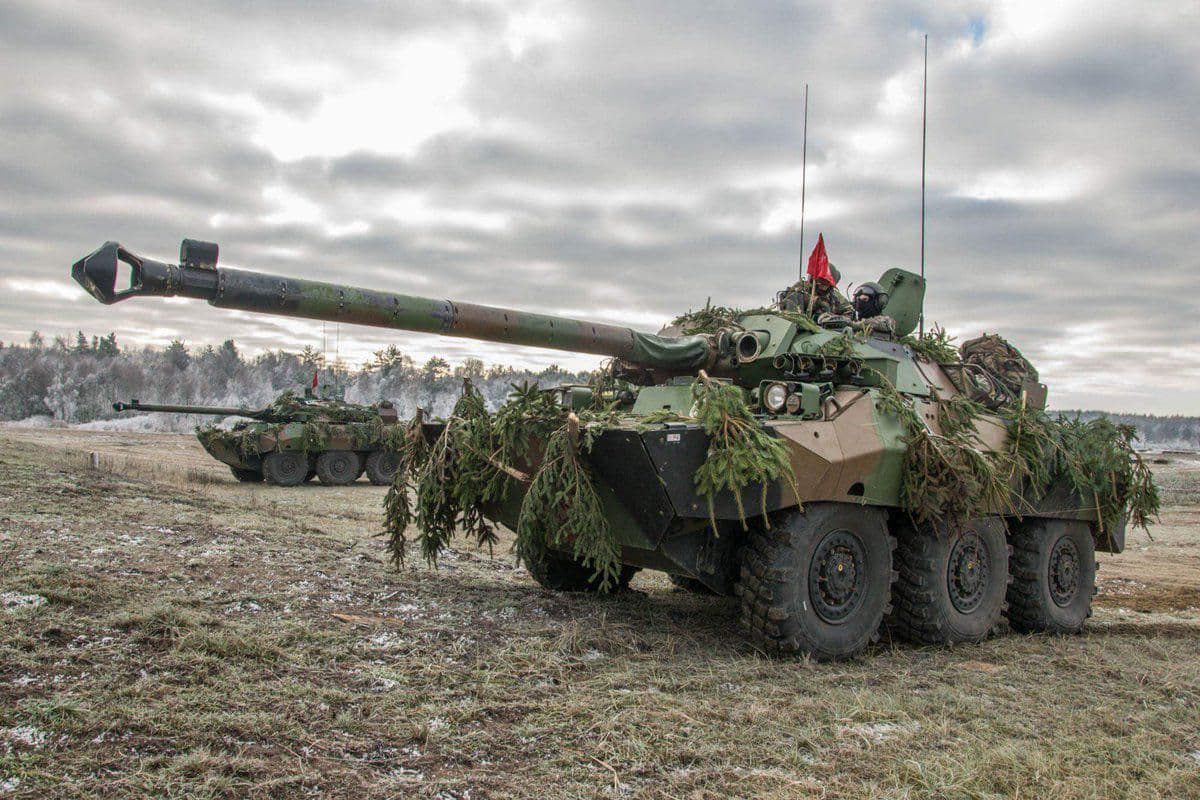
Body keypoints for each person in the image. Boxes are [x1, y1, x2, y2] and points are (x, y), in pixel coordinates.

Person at [777, 264, 853, 317]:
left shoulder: (834, 296)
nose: (823, 285)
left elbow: (848, 311)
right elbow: (789, 302)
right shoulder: (801, 288)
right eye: (820, 281)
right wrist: (816, 302)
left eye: (826, 282)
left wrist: (838, 319)